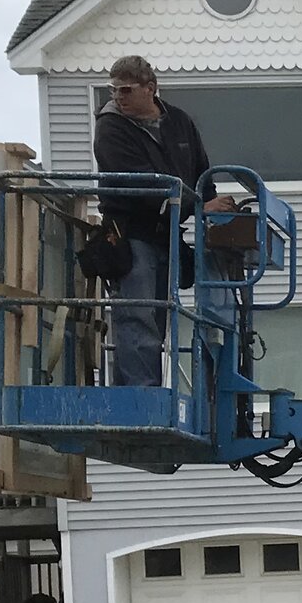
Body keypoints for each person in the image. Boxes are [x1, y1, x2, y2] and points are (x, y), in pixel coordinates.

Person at [92, 55, 235, 386]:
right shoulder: (110, 127)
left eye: (125, 90)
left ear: (150, 89)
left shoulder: (180, 122)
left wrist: (209, 209)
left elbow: (202, 173)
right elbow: (139, 185)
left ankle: (148, 393)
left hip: (166, 235)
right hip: (131, 233)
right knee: (137, 317)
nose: (118, 97)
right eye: (113, 90)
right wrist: (200, 206)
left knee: (156, 317)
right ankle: (141, 397)